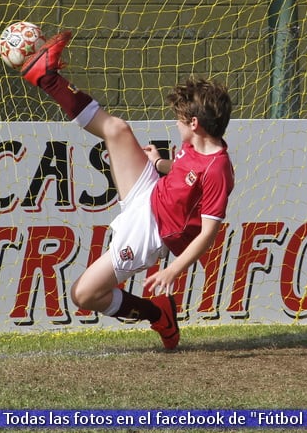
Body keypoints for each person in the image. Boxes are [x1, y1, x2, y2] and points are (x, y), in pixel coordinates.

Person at [19, 30, 234, 350]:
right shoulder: (195, 146)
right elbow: (184, 176)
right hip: (149, 193)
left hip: (150, 232)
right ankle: (47, 77)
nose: (174, 123)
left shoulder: (218, 168)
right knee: (117, 129)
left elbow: (208, 233)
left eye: (178, 119)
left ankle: (156, 314)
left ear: (194, 124)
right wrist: (160, 163)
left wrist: (174, 270)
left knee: (84, 294)